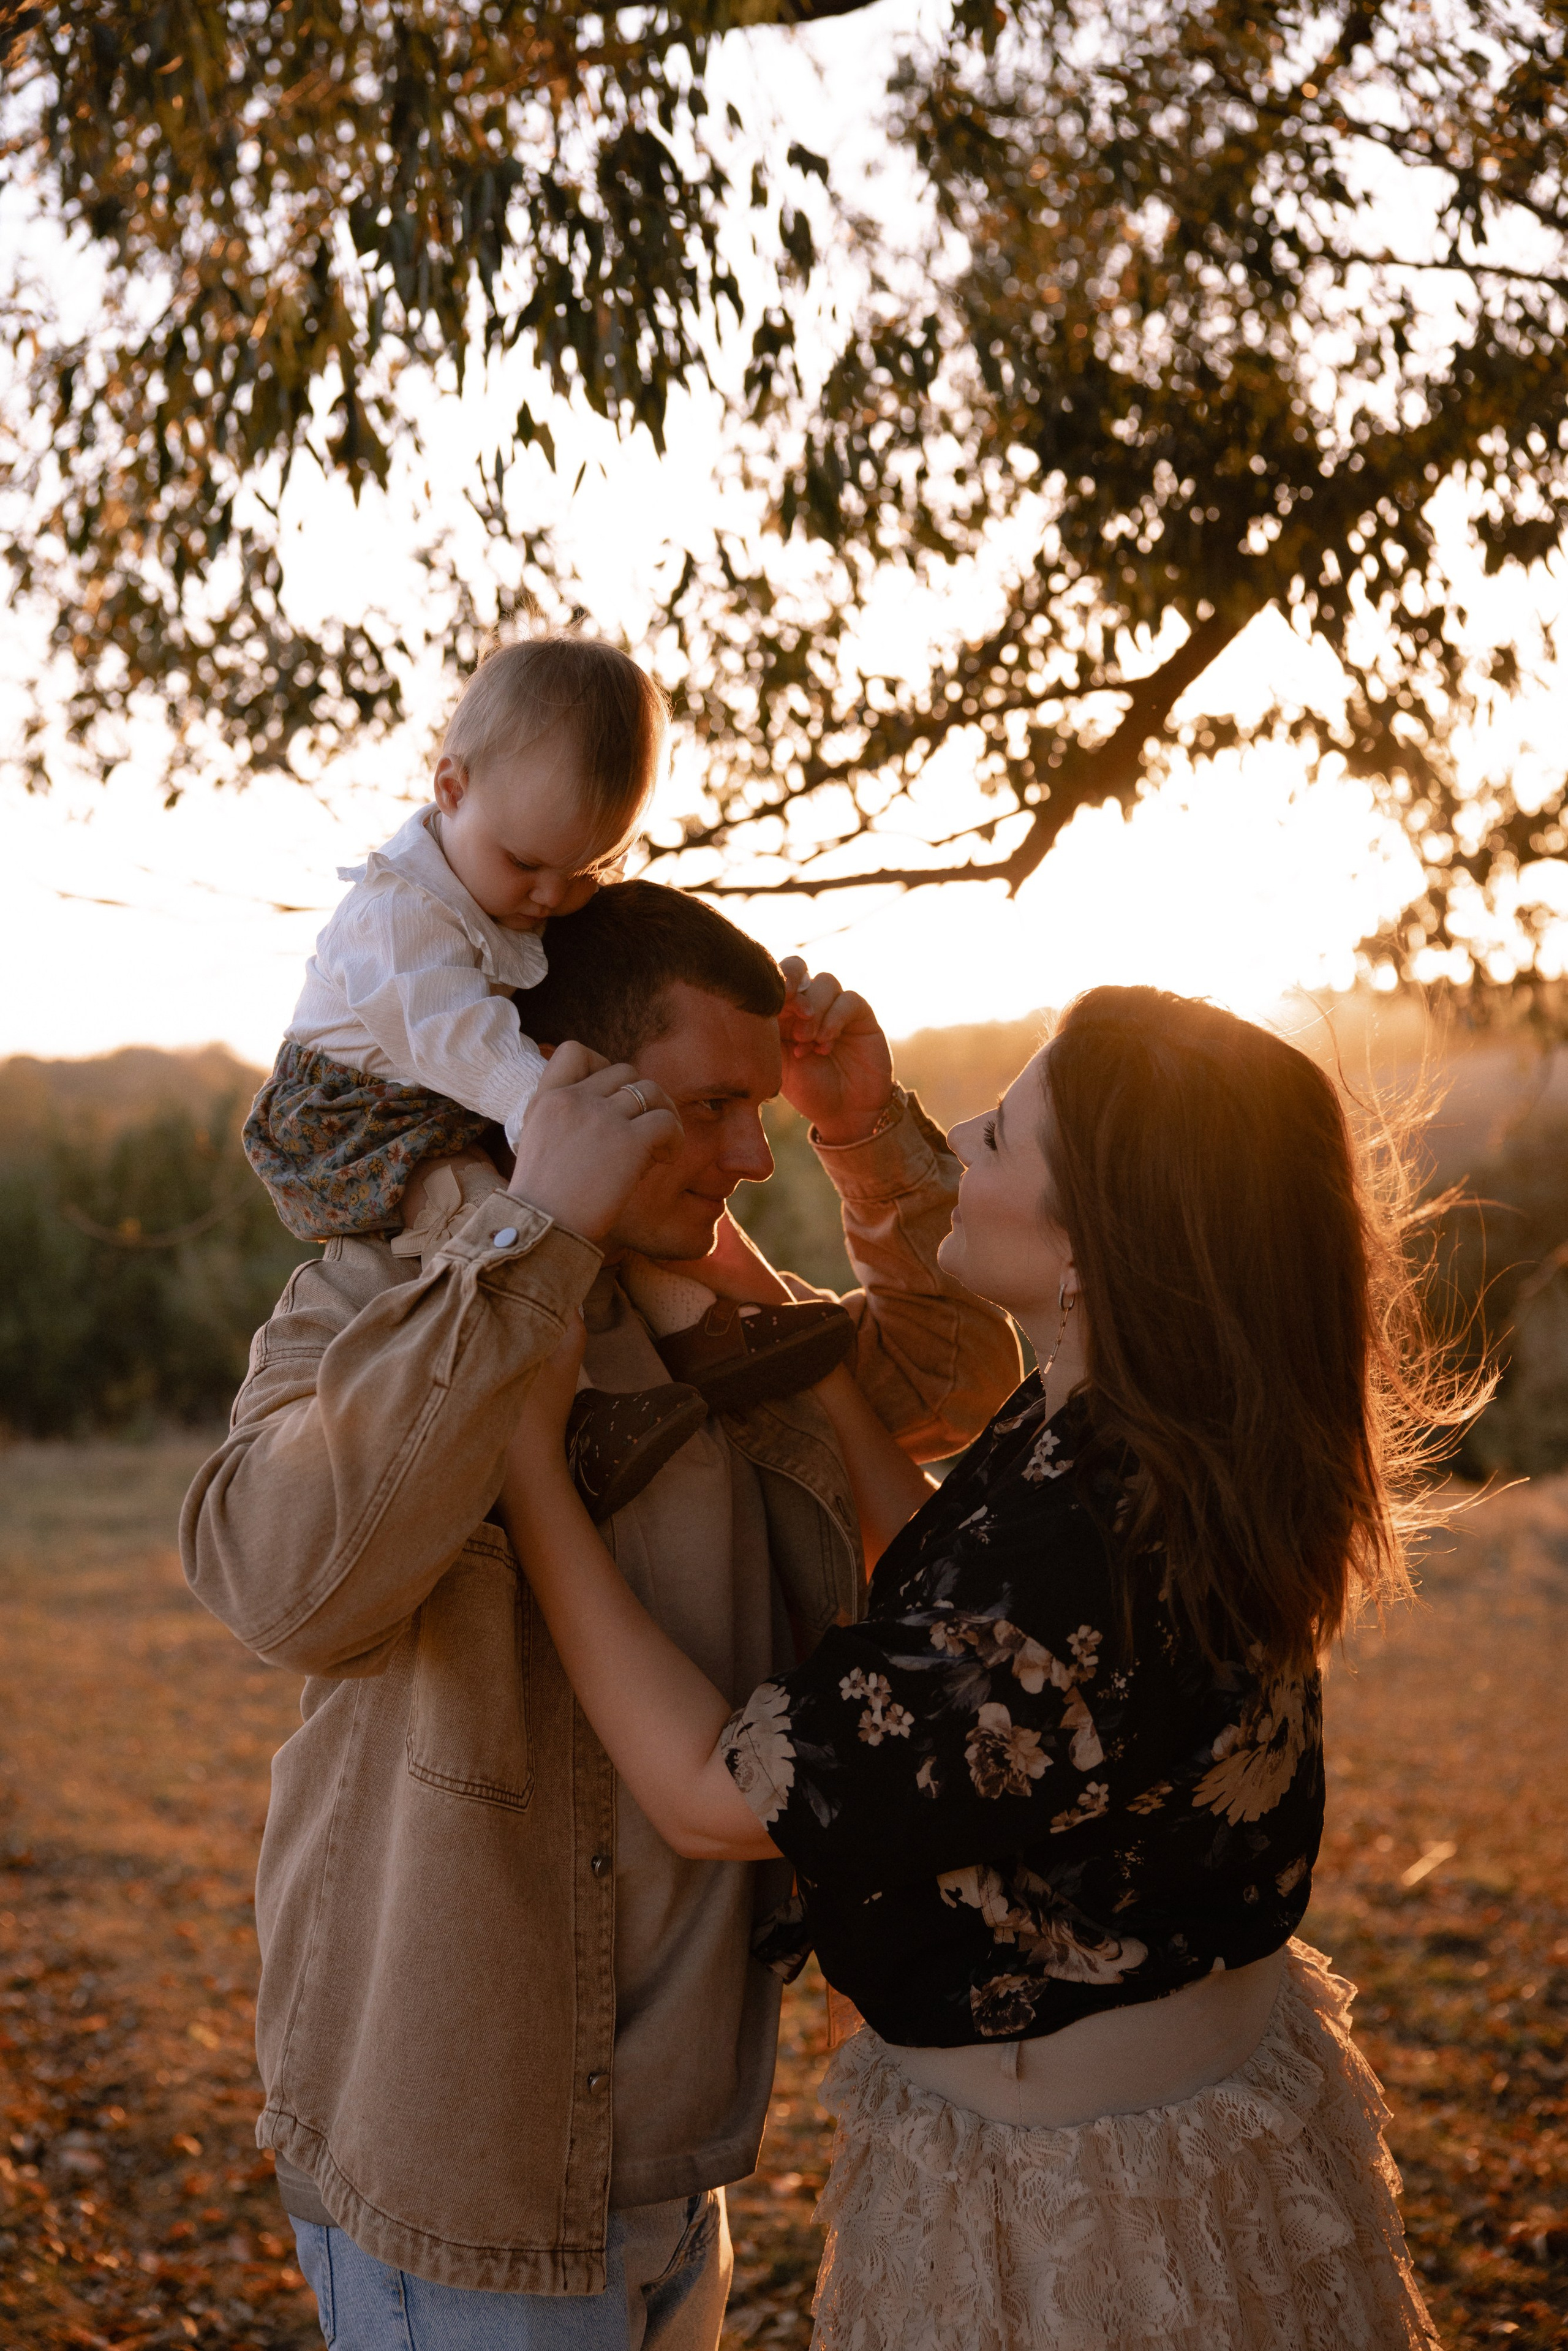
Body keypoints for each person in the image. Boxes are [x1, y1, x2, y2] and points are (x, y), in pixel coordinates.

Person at [500, 984, 1470, 2351]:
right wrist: (773, 1309)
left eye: (1003, 1134)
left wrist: (525, 1461)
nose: (959, 1133)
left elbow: (710, 1792)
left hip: (1079, 2213)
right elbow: (953, 1609)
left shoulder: (1085, 1546)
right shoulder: (1156, 1428)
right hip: (1186, 2123)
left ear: (1091, 1248)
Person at [181, 879, 1021, 2351]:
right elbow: (275, 1584)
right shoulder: (377, 1294)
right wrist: (526, 1248)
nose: (750, 1155)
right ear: (568, 1090)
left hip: (675, 2147)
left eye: (759, 1111)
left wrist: (860, 1136)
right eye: (709, 1109)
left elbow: (951, 1385)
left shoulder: (707, 1310)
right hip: (462, 2157)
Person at [243, 634, 856, 1522]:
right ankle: (565, 1397)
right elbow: (459, 1038)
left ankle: (703, 1330)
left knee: (594, 1204)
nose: (548, 897)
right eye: (527, 864)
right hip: (357, 1117)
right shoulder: (396, 914)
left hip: (450, 1098)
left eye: (584, 872)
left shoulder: (507, 875)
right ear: (451, 789)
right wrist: (547, 1109)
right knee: (503, 1213)